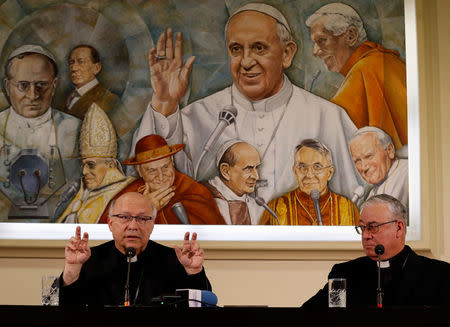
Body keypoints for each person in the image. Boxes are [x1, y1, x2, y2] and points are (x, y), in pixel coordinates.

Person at [131, 3, 361, 204]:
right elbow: (153, 181)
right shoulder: (199, 114)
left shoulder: (327, 117)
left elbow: (354, 200)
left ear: (287, 53)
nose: (246, 62)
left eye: (259, 48)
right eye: (236, 49)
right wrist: (165, 102)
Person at [59, 192, 211, 306]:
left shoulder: (175, 260)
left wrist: (194, 272)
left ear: (152, 225)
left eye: (143, 219)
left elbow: (204, 311)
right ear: (110, 223)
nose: (133, 226)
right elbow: (58, 309)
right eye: (124, 217)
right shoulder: (88, 259)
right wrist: (72, 269)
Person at [302, 194, 450, 307]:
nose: (366, 236)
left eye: (373, 227)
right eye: (362, 228)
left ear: (399, 228)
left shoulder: (440, 275)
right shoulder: (345, 274)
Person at [306, 2, 407, 150]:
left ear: (351, 36)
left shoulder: (365, 69)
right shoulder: (386, 61)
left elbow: (331, 133)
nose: (315, 52)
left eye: (322, 40)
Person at [0, 44, 81, 219]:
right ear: (7, 86)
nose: (33, 95)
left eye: (42, 85)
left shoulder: (75, 129)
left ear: (54, 85)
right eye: (23, 85)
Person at [102, 134, 225, 225]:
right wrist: (143, 209)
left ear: (172, 161)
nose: (161, 177)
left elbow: (210, 239)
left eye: (165, 167)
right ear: (139, 171)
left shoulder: (195, 191)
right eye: (152, 171)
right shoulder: (129, 192)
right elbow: (105, 231)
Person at [56, 104, 135, 223]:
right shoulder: (82, 193)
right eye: (83, 165)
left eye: (91, 165)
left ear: (111, 165)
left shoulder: (127, 192)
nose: (84, 172)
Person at [261, 139, 359, 225]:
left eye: (317, 167)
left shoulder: (348, 208)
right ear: (295, 172)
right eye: (302, 167)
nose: (309, 175)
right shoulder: (274, 209)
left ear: (329, 173)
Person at [203, 140, 263, 225]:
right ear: (226, 171)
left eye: (257, 168)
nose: (256, 177)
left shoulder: (254, 204)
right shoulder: (203, 199)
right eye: (248, 168)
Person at [350, 126, 408, 208]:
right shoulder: (370, 195)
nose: (364, 167)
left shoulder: (409, 174)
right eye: (357, 161)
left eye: (369, 156)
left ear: (390, 150)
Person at [63, 44, 119, 119]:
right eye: (71, 62)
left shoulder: (109, 100)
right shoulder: (67, 98)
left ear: (96, 68)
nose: (74, 68)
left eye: (81, 62)